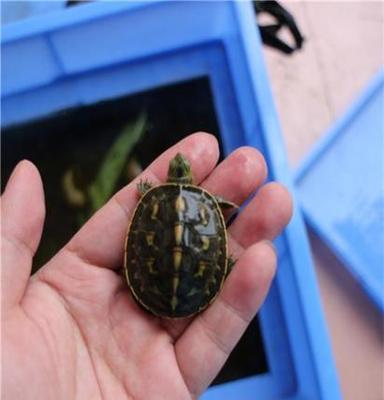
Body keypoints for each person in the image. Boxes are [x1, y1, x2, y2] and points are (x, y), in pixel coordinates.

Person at [2, 133, 292, 399]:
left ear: (171, 175)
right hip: (192, 288)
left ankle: (218, 269)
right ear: (190, 178)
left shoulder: (150, 196)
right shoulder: (206, 201)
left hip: (149, 289)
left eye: (177, 168)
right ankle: (223, 268)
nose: (178, 164)